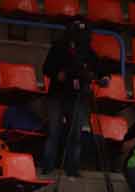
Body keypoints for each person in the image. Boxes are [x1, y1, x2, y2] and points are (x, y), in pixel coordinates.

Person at [41, 18, 101, 177]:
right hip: (57, 95)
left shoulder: (88, 51)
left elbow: (100, 69)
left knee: (75, 135)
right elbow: (46, 69)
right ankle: (48, 168)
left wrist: (101, 77)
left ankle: (72, 169)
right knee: (54, 132)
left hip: (78, 96)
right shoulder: (58, 47)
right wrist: (57, 74)